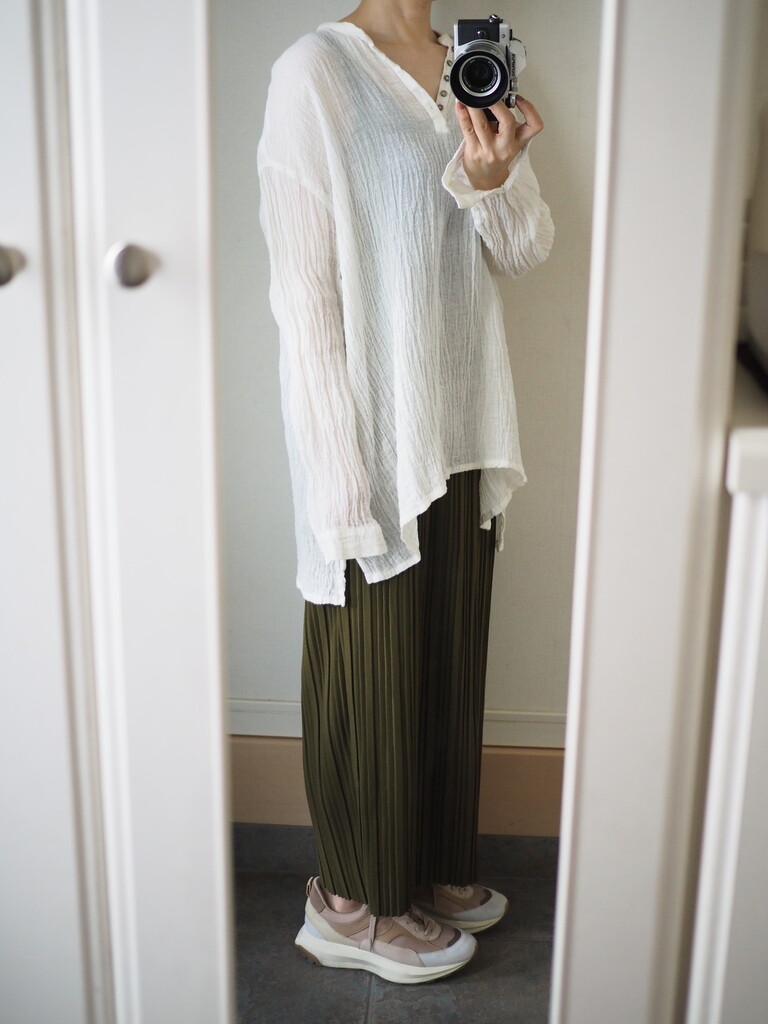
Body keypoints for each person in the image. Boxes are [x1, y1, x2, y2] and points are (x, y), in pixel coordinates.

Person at [257, 0, 554, 985]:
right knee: (371, 669)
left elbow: (524, 250)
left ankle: (422, 867)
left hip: (463, 419)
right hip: (376, 435)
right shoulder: (316, 72)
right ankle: (353, 901)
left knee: (444, 664)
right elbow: (305, 297)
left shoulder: (472, 62)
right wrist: (339, 478)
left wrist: (492, 176)